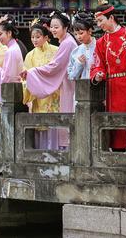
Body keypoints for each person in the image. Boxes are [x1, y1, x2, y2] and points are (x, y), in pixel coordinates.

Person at [21, 11, 78, 150]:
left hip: (64, 87)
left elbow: (54, 67)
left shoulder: (65, 44)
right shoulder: (65, 42)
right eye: (52, 26)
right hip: (53, 89)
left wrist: (33, 72)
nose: (53, 30)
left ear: (65, 27)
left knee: (63, 120)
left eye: (56, 27)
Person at [90, 0, 126, 151]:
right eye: (97, 22)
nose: (98, 25)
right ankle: (117, 151)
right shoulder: (100, 42)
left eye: (100, 20)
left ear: (111, 18)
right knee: (116, 123)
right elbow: (97, 64)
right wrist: (98, 74)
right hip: (113, 88)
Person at [0, 15, 24, 107]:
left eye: (0, 34)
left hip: (11, 93)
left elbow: (7, 77)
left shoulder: (11, 51)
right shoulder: (14, 47)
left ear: (9, 33)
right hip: (15, 91)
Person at [67, 11, 98, 81]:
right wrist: (79, 64)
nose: (78, 37)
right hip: (82, 89)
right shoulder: (75, 51)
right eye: (75, 34)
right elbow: (71, 77)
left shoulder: (99, 47)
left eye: (81, 33)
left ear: (89, 31)